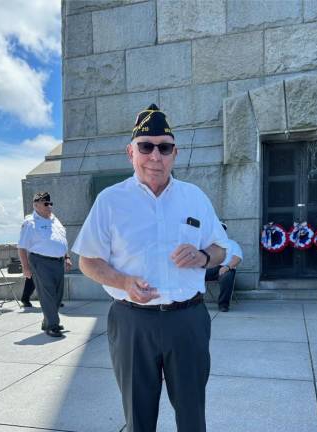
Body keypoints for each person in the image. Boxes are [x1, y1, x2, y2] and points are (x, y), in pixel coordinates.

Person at [72, 104, 228, 432]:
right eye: (146, 146)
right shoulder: (110, 201)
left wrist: (202, 257)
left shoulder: (194, 197)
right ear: (131, 152)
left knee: (192, 416)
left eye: (164, 147)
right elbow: (87, 260)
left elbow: (219, 248)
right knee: (138, 418)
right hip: (132, 323)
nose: (155, 156)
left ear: (175, 153)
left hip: (187, 320)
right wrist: (123, 281)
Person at [17, 192, 72, 337]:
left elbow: (62, 240)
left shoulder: (55, 220)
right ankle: (52, 325)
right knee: (47, 294)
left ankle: (48, 321)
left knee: (57, 295)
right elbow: (22, 247)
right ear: (36, 205)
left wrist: (66, 257)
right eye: (45, 204)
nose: (49, 206)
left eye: (50, 203)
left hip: (58, 261)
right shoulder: (30, 223)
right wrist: (26, 267)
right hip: (41, 261)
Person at [205, 223, 243, 312]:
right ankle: (192, 303)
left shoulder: (232, 244)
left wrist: (227, 266)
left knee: (227, 276)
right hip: (209, 269)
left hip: (226, 268)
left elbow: (237, 258)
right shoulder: (207, 245)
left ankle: (223, 305)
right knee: (194, 274)